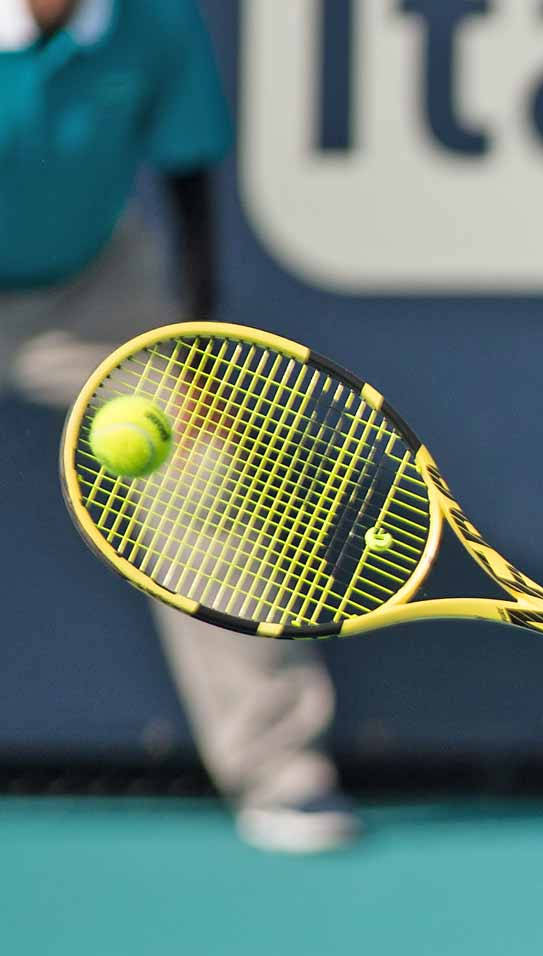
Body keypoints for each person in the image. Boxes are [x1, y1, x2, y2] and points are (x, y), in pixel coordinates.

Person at [1, 0, 358, 853]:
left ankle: (282, 773)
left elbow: (187, 179)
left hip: (93, 289)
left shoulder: (152, 21)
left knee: (200, 484)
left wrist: (195, 350)